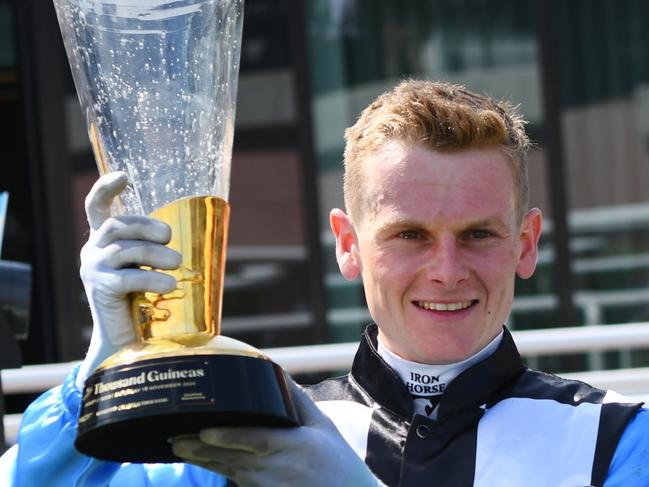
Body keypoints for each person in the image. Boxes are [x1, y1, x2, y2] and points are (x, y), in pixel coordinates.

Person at [2, 79, 648, 486]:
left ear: (524, 244)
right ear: (347, 244)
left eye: (478, 233)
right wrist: (106, 365)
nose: (446, 269)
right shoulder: (248, 441)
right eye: (409, 234)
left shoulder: (621, 439)